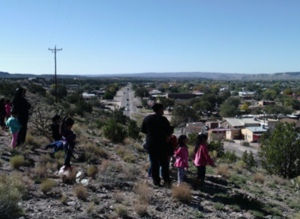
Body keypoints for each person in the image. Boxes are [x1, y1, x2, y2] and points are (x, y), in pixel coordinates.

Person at [142, 103, 171, 186]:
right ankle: (166, 180)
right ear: (160, 109)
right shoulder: (163, 120)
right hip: (162, 144)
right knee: (164, 163)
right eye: (162, 109)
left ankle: (156, 181)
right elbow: (168, 132)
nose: (163, 111)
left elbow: (144, 130)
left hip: (151, 144)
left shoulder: (147, 119)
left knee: (154, 163)